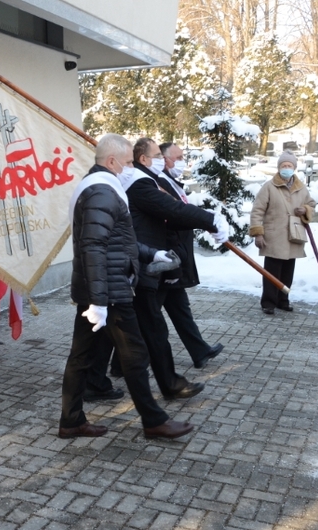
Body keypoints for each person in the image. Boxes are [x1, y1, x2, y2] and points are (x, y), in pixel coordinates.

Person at [59, 133, 194, 440]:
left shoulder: (99, 188)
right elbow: (93, 246)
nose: (132, 168)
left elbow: (118, 241)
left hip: (101, 289)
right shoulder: (102, 192)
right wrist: (98, 301)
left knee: (81, 357)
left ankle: (71, 421)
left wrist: (150, 254)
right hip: (109, 292)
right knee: (134, 355)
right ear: (111, 161)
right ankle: (153, 420)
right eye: (129, 162)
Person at [121, 137, 227, 399]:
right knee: (152, 328)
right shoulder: (140, 181)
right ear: (143, 159)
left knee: (133, 327)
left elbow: (169, 215)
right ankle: (167, 384)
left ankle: (100, 378)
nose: (165, 160)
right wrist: (209, 220)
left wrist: (206, 222)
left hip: (150, 261)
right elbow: (171, 210)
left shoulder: (146, 179)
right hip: (144, 263)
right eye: (159, 154)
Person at [154, 142, 224, 368]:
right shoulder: (158, 183)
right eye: (179, 157)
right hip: (166, 257)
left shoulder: (169, 181)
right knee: (146, 315)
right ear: (165, 159)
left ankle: (199, 351)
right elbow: (175, 213)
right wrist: (206, 220)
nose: (182, 161)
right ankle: (119, 363)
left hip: (175, 257)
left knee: (180, 308)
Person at [249, 151, 317, 315]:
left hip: (293, 236)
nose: (286, 168)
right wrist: (258, 233)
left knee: (287, 272)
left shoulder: (301, 188)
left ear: (294, 167)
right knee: (271, 272)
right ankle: (268, 302)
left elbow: (312, 205)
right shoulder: (269, 187)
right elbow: (257, 211)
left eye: (289, 166)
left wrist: (305, 210)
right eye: (284, 166)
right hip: (274, 236)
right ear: (279, 167)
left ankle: (283, 300)